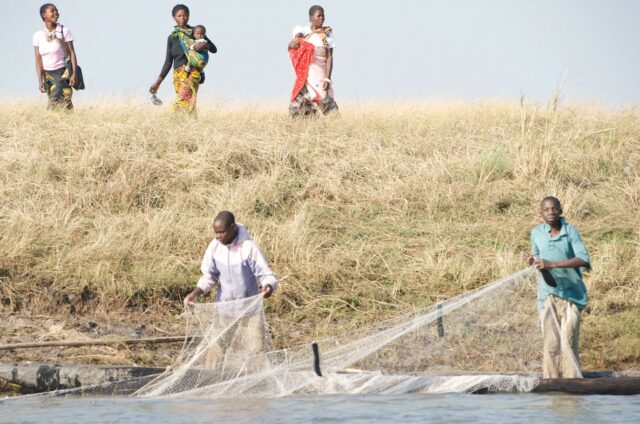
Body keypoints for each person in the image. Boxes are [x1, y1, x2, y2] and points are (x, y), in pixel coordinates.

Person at [523, 196, 591, 379]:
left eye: (554, 209)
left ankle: (572, 383)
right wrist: (536, 263)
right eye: (546, 210)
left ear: (560, 211)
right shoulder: (537, 233)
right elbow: (542, 268)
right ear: (541, 213)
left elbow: (583, 259)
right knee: (551, 343)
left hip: (572, 296)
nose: (551, 212)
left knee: (568, 341)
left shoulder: (570, 232)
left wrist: (551, 264)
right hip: (548, 294)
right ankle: (551, 383)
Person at [184, 211, 278, 305]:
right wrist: (195, 294)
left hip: (248, 308)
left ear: (232, 227)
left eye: (221, 232)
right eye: (216, 232)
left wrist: (268, 286)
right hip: (224, 308)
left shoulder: (249, 248)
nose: (218, 236)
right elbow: (210, 276)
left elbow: (265, 274)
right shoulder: (214, 247)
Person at [149, 4, 217, 113]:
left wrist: (205, 45)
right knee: (188, 102)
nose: (182, 18)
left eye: (185, 15)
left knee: (182, 100)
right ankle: (188, 125)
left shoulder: (196, 32)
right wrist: (158, 83)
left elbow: (214, 49)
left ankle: (177, 121)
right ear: (173, 17)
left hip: (192, 73)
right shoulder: (172, 37)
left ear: (188, 16)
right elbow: (168, 62)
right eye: (179, 16)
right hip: (178, 75)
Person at [288, 5, 338, 117]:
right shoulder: (303, 32)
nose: (322, 18)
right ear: (311, 18)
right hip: (306, 75)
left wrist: (327, 79)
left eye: (323, 16)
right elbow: (294, 42)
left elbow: (329, 57)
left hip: (320, 74)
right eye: (318, 16)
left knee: (325, 102)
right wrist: (292, 43)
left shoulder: (327, 34)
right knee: (297, 105)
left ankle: (337, 125)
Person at [33, 3, 78, 111]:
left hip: (63, 72)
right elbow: (38, 59)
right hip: (48, 74)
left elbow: (72, 53)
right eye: (52, 11)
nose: (56, 13)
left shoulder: (63, 31)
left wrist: (74, 74)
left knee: (61, 97)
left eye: (56, 11)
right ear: (44, 15)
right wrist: (40, 80)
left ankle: (50, 120)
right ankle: (67, 121)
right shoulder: (38, 36)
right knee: (60, 100)